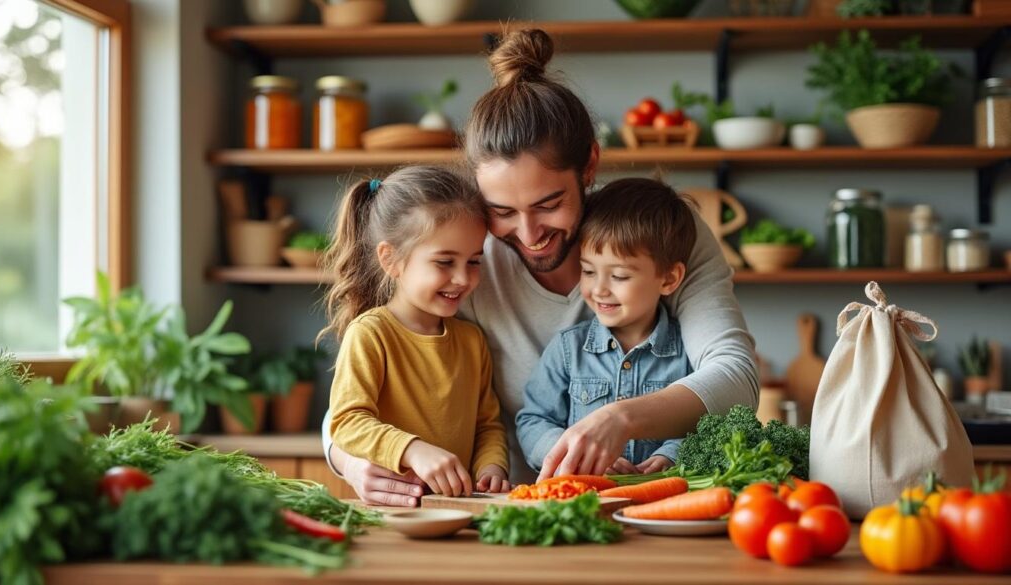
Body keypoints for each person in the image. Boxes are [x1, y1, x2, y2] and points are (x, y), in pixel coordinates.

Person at [324, 29, 757, 505]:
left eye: (549, 204)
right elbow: (352, 401)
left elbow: (735, 376)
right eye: (503, 212)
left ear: (588, 165)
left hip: (655, 502)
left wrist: (620, 418)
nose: (529, 235)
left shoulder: (658, 234)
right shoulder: (465, 259)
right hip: (517, 507)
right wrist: (353, 463)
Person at [320, 165, 509, 498]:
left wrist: (492, 466)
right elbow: (346, 421)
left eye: (474, 261)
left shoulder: (471, 340)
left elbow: (487, 425)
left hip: (458, 511)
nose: (464, 279)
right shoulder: (371, 334)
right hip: (395, 510)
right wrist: (412, 450)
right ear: (390, 259)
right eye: (445, 262)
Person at [516, 178, 696, 475]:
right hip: (582, 501)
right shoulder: (568, 349)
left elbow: (705, 424)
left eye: (620, 276)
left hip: (662, 501)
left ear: (668, 279)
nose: (599, 289)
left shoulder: (689, 352)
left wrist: (671, 455)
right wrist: (573, 454)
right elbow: (533, 421)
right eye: (588, 271)